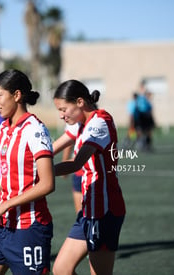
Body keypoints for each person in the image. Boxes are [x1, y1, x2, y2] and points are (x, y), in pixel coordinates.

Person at [0, 69, 55, 275]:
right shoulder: (2, 129)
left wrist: (6, 205)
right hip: (1, 229)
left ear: (17, 95)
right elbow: (6, 175)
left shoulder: (35, 130)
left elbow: (47, 184)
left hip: (29, 230)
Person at [51, 80, 126, 275]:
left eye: (63, 109)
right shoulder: (81, 124)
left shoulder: (100, 123)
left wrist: (40, 173)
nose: (61, 115)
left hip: (104, 211)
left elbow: (76, 164)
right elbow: (50, 150)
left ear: (79, 102)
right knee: (61, 269)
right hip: (88, 210)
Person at [53, 124, 82, 213]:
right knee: (82, 219)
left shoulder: (97, 122)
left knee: (84, 217)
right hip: (81, 173)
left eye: (64, 109)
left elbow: (78, 162)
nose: (61, 115)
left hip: (86, 174)